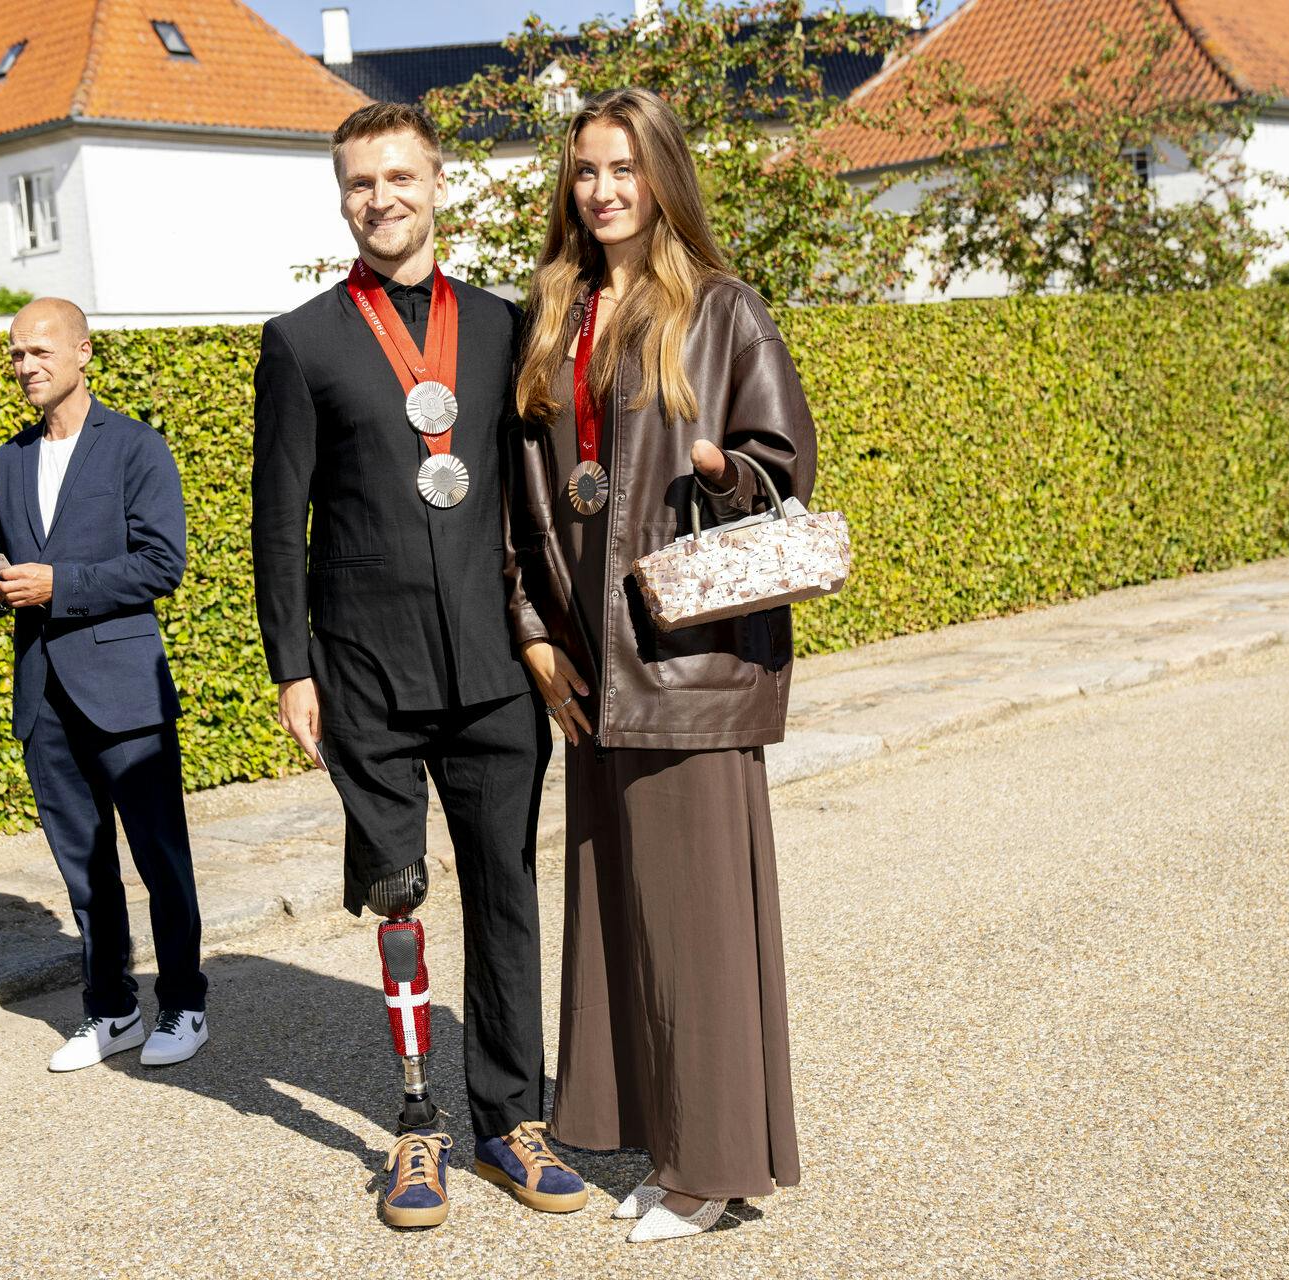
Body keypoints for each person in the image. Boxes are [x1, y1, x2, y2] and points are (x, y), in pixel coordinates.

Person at [250, 102, 587, 1231]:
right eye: (359, 183)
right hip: (368, 677)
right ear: (341, 198)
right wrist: (290, 668)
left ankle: (508, 1116)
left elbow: (535, 500)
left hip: (494, 669)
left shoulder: (501, 327)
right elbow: (274, 521)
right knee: (397, 900)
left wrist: (553, 632)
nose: (380, 198)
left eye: (399, 177)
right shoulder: (299, 339)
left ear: (439, 183)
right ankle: (414, 1129)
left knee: (506, 898)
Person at [504, 88, 814, 1243]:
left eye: (624, 168)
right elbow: (527, 495)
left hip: (686, 665)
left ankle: (714, 1165)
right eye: (586, 169)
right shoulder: (557, 311)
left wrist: (725, 467)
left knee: (696, 925)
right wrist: (534, 628)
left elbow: (786, 473)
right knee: (622, 919)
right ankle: (668, 1139)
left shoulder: (723, 308)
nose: (603, 190)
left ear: (663, 175)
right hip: (593, 666)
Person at [0, 297, 208, 1074]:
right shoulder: (7, 462)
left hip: (124, 688)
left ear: (82, 351)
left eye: (39, 352)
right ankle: (111, 1008)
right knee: (84, 866)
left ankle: (185, 1003)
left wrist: (57, 586)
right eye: (14, 355)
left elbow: (162, 564)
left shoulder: (136, 447)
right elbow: (8, 562)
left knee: (160, 856)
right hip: (44, 694)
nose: (25, 367)